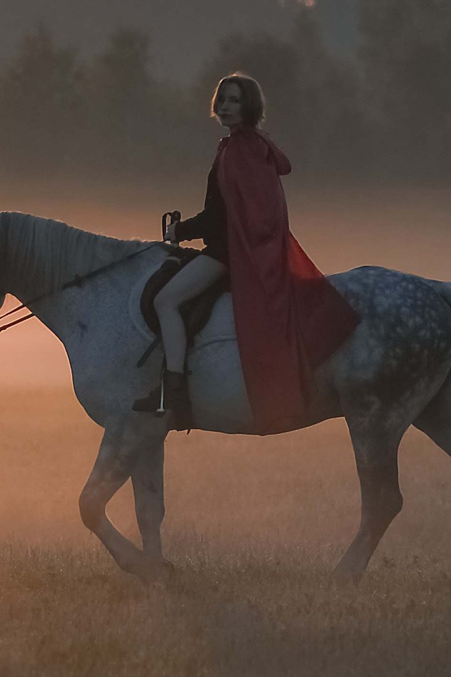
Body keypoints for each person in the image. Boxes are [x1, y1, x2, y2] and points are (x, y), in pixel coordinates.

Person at [137, 72, 359, 433]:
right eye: (222, 99)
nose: (226, 106)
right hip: (227, 246)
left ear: (249, 106)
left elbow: (223, 217)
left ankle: (173, 391)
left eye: (235, 100)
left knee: (166, 301)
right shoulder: (241, 146)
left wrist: (181, 231)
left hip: (229, 252)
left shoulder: (242, 150)